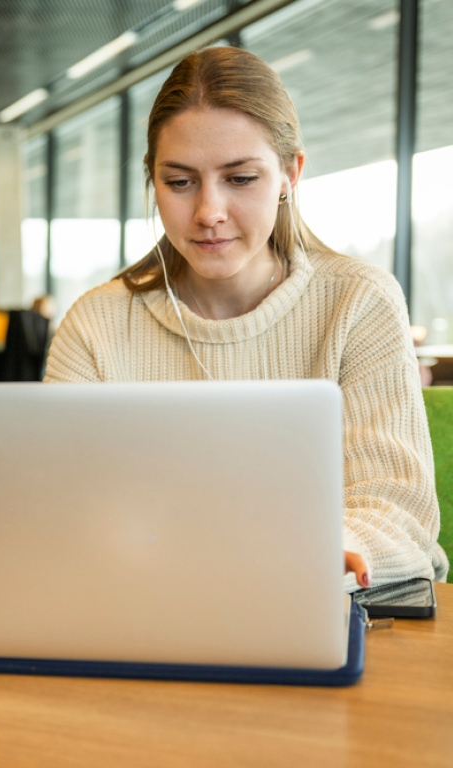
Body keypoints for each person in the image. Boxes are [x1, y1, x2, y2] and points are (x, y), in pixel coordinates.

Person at [45, 46, 448, 590]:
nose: (209, 212)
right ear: (153, 182)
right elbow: (60, 506)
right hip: (147, 599)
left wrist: (324, 553)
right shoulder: (98, 322)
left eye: (239, 179)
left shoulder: (358, 301)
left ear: (290, 173)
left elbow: (397, 508)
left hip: (329, 598)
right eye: (180, 182)